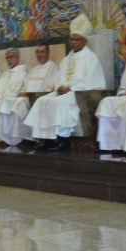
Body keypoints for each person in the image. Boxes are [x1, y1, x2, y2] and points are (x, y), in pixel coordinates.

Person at [23, 14, 107, 151]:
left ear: (84, 41)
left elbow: (92, 82)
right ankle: (46, 139)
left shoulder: (91, 58)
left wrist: (70, 88)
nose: (73, 42)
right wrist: (60, 87)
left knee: (58, 102)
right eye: (71, 39)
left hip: (78, 94)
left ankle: (63, 140)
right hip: (63, 92)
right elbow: (58, 78)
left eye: (77, 40)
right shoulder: (66, 59)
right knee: (42, 101)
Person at [0, 44, 60, 146]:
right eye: (37, 52)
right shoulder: (33, 70)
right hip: (27, 97)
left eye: (42, 51)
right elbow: (25, 86)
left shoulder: (54, 68)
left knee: (19, 105)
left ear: (48, 53)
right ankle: (8, 137)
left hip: (40, 98)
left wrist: (30, 94)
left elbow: (50, 87)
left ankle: (26, 138)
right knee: (7, 103)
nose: (39, 54)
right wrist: (23, 92)